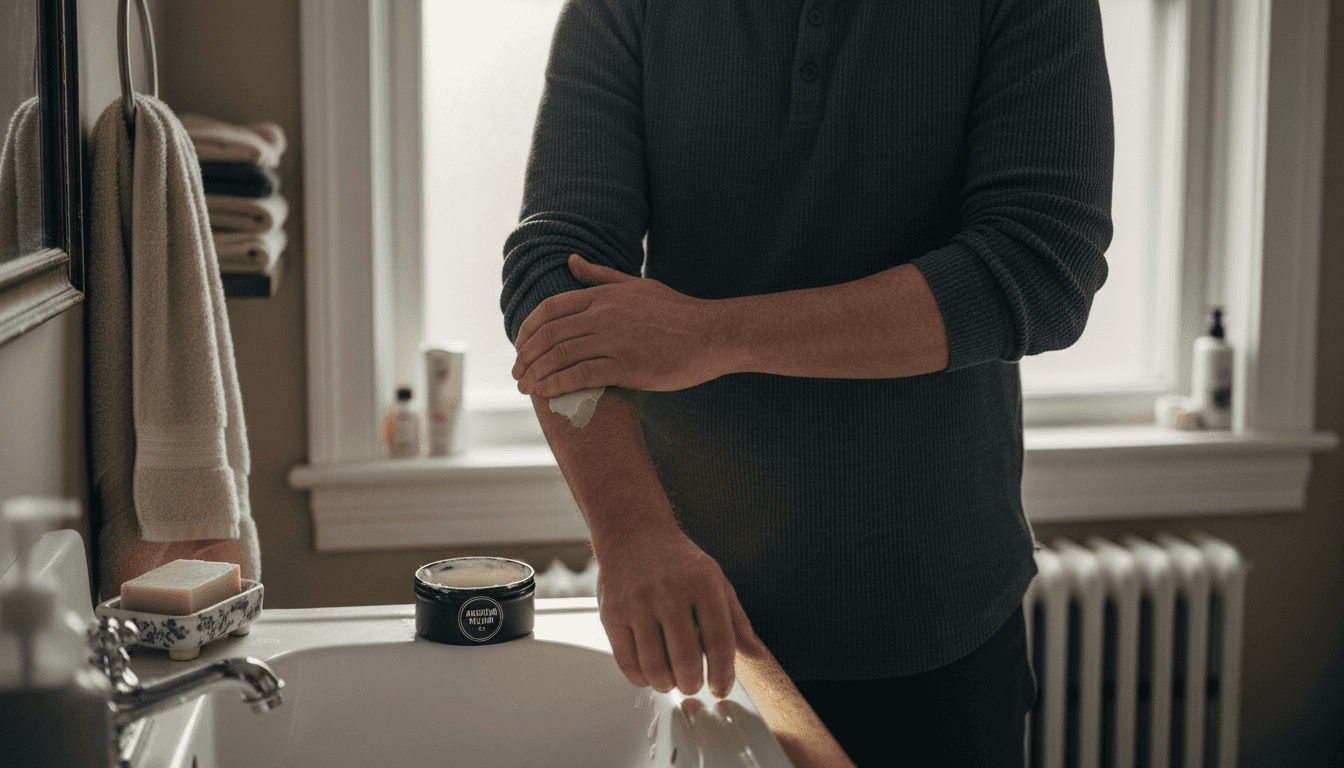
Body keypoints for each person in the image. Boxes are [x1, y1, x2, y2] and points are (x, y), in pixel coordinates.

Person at [502, 0, 1113, 764]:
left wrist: (712, 336)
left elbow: (1042, 267)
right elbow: (553, 276)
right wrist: (632, 531)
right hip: (692, 617)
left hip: (940, 632)